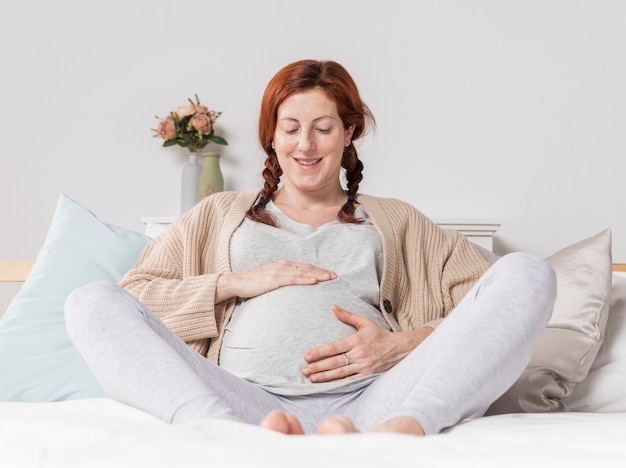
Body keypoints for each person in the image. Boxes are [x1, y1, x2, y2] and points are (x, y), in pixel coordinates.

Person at [64, 59, 557, 436]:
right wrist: (236, 281)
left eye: (323, 128)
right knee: (88, 301)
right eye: (291, 128)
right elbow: (136, 297)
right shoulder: (217, 215)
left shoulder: (397, 220)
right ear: (271, 137)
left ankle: (402, 434)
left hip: (376, 400)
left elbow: (487, 311)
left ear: (349, 134)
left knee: (529, 272)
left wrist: (398, 346)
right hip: (241, 402)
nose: (306, 145)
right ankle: (217, 437)